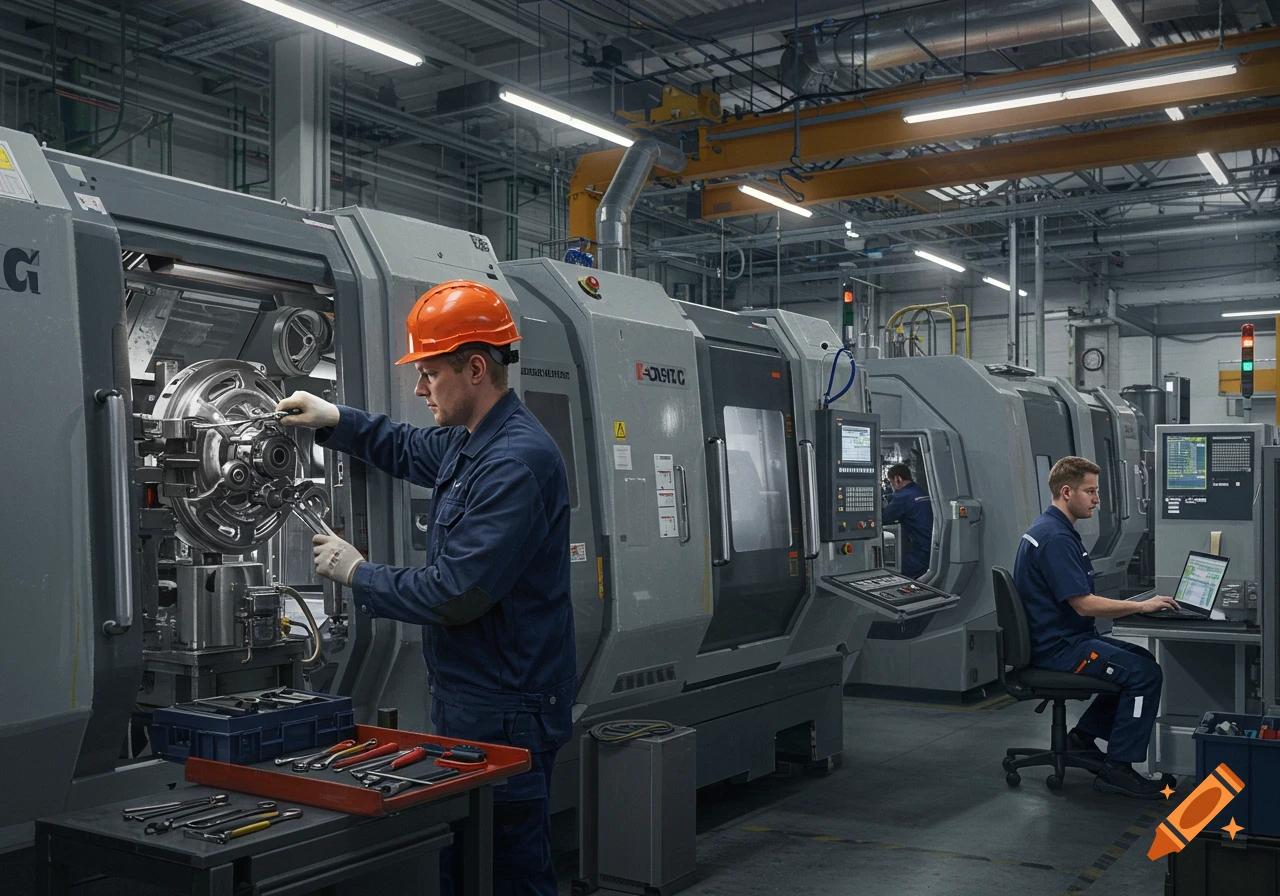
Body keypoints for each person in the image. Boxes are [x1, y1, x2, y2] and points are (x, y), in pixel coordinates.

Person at [277, 279, 577, 894]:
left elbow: (456, 592)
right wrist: (336, 420)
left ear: (474, 368)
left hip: (507, 706)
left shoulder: (515, 461)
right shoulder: (476, 439)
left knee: (508, 869)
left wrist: (358, 572)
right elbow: (411, 447)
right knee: (466, 860)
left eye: (429, 373)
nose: (418, 388)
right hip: (474, 694)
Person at [1013, 456, 1178, 799]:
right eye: (1090, 491)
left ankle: (1082, 739)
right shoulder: (1055, 538)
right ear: (1066, 491)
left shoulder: (1053, 529)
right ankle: (1118, 769)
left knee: (1142, 662)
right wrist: (1141, 605)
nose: (1096, 499)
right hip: (1059, 649)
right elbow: (1084, 603)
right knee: (1143, 675)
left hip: (1064, 639)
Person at [882, 463, 933, 579]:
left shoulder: (903, 496)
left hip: (919, 554)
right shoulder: (919, 491)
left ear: (897, 478)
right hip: (932, 551)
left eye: (891, 482)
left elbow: (883, 517)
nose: (893, 486)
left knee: (888, 571)